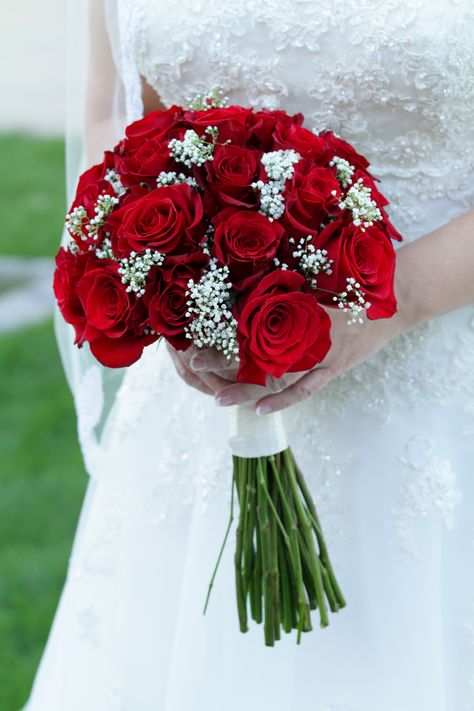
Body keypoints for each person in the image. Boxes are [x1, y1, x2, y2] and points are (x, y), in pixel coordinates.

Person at [24, 1, 474, 709]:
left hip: (430, 400)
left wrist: (395, 297)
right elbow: (117, 113)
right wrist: (168, 288)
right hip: (193, 420)